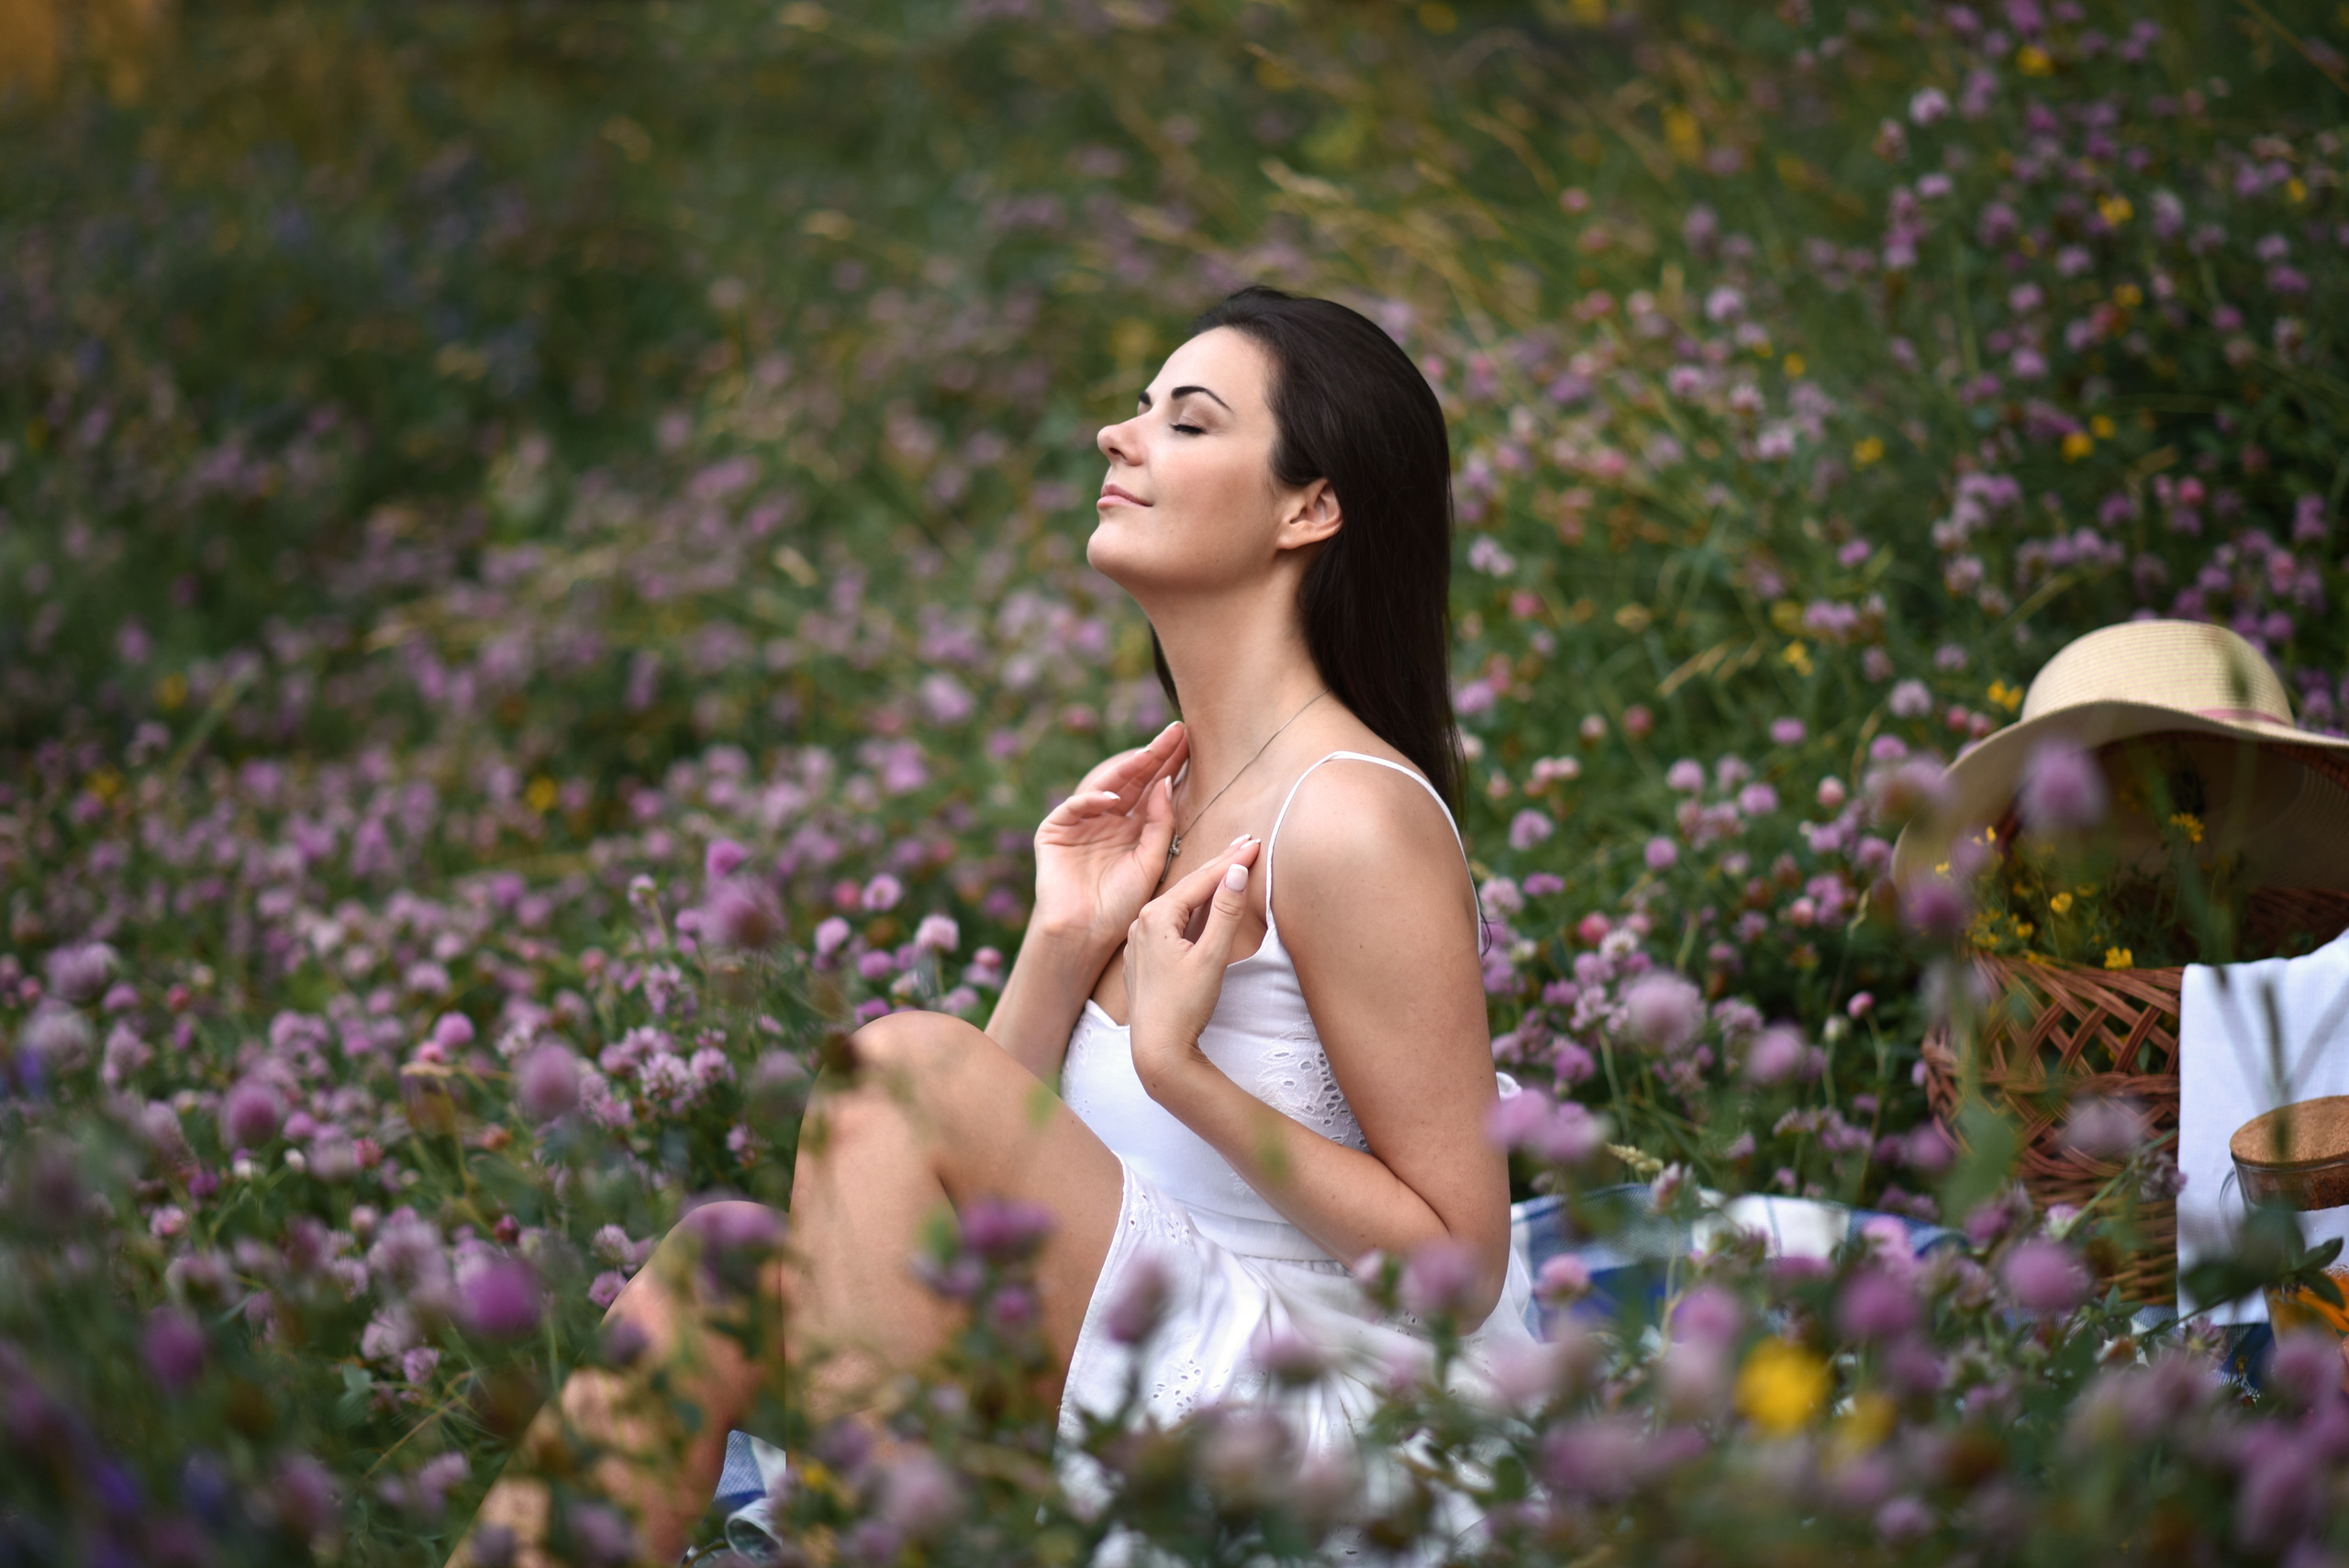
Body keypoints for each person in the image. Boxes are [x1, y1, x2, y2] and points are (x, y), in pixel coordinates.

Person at [454, 286, 1534, 1564]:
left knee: (901, 1058)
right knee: (726, 1260)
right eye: (1137, 409)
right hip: (1127, 1365)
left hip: (1330, 1427)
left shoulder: (1349, 814)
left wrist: (1178, 1071)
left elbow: (1460, 1273)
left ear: (1311, 506)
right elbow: (954, 1187)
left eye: (1185, 421)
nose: (1115, 438)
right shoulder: (1169, 802)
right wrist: (1062, 944)